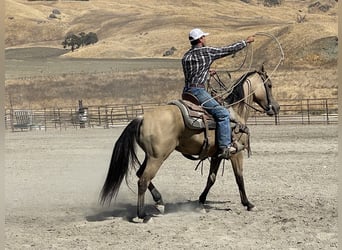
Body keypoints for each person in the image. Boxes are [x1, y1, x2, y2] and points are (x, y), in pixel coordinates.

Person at [182, 28, 255, 159]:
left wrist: (206, 71)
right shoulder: (206, 52)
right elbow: (226, 50)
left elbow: (194, 73)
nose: (205, 39)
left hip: (187, 92)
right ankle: (224, 146)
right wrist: (246, 42)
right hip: (198, 91)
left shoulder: (186, 56)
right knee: (223, 114)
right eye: (204, 37)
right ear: (200, 39)